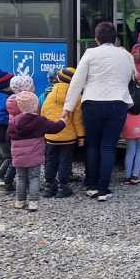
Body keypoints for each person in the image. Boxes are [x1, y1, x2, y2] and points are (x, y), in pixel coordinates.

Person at [63, 21, 135, 202]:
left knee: (93, 145)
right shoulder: (126, 55)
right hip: (118, 103)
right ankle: (103, 189)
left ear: (96, 39)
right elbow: (133, 76)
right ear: (115, 38)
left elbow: (77, 82)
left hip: (92, 103)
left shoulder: (90, 54)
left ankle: (91, 186)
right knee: (108, 146)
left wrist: (68, 107)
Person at [9, 91, 65, 212]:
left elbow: (7, 136)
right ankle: (33, 203)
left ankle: (19, 201)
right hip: (34, 157)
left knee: (21, 177)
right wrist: (63, 121)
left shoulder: (14, 121)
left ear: (19, 106)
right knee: (34, 178)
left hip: (18, 157)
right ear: (35, 106)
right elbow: (54, 128)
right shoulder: (39, 121)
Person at [40, 67, 84, 198]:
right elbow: (77, 120)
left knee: (50, 160)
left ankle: (49, 186)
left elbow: (43, 114)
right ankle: (63, 187)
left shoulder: (49, 96)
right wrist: (81, 136)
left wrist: (43, 132)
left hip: (51, 136)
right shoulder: (76, 98)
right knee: (65, 161)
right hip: (68, 138)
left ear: (58, 79)